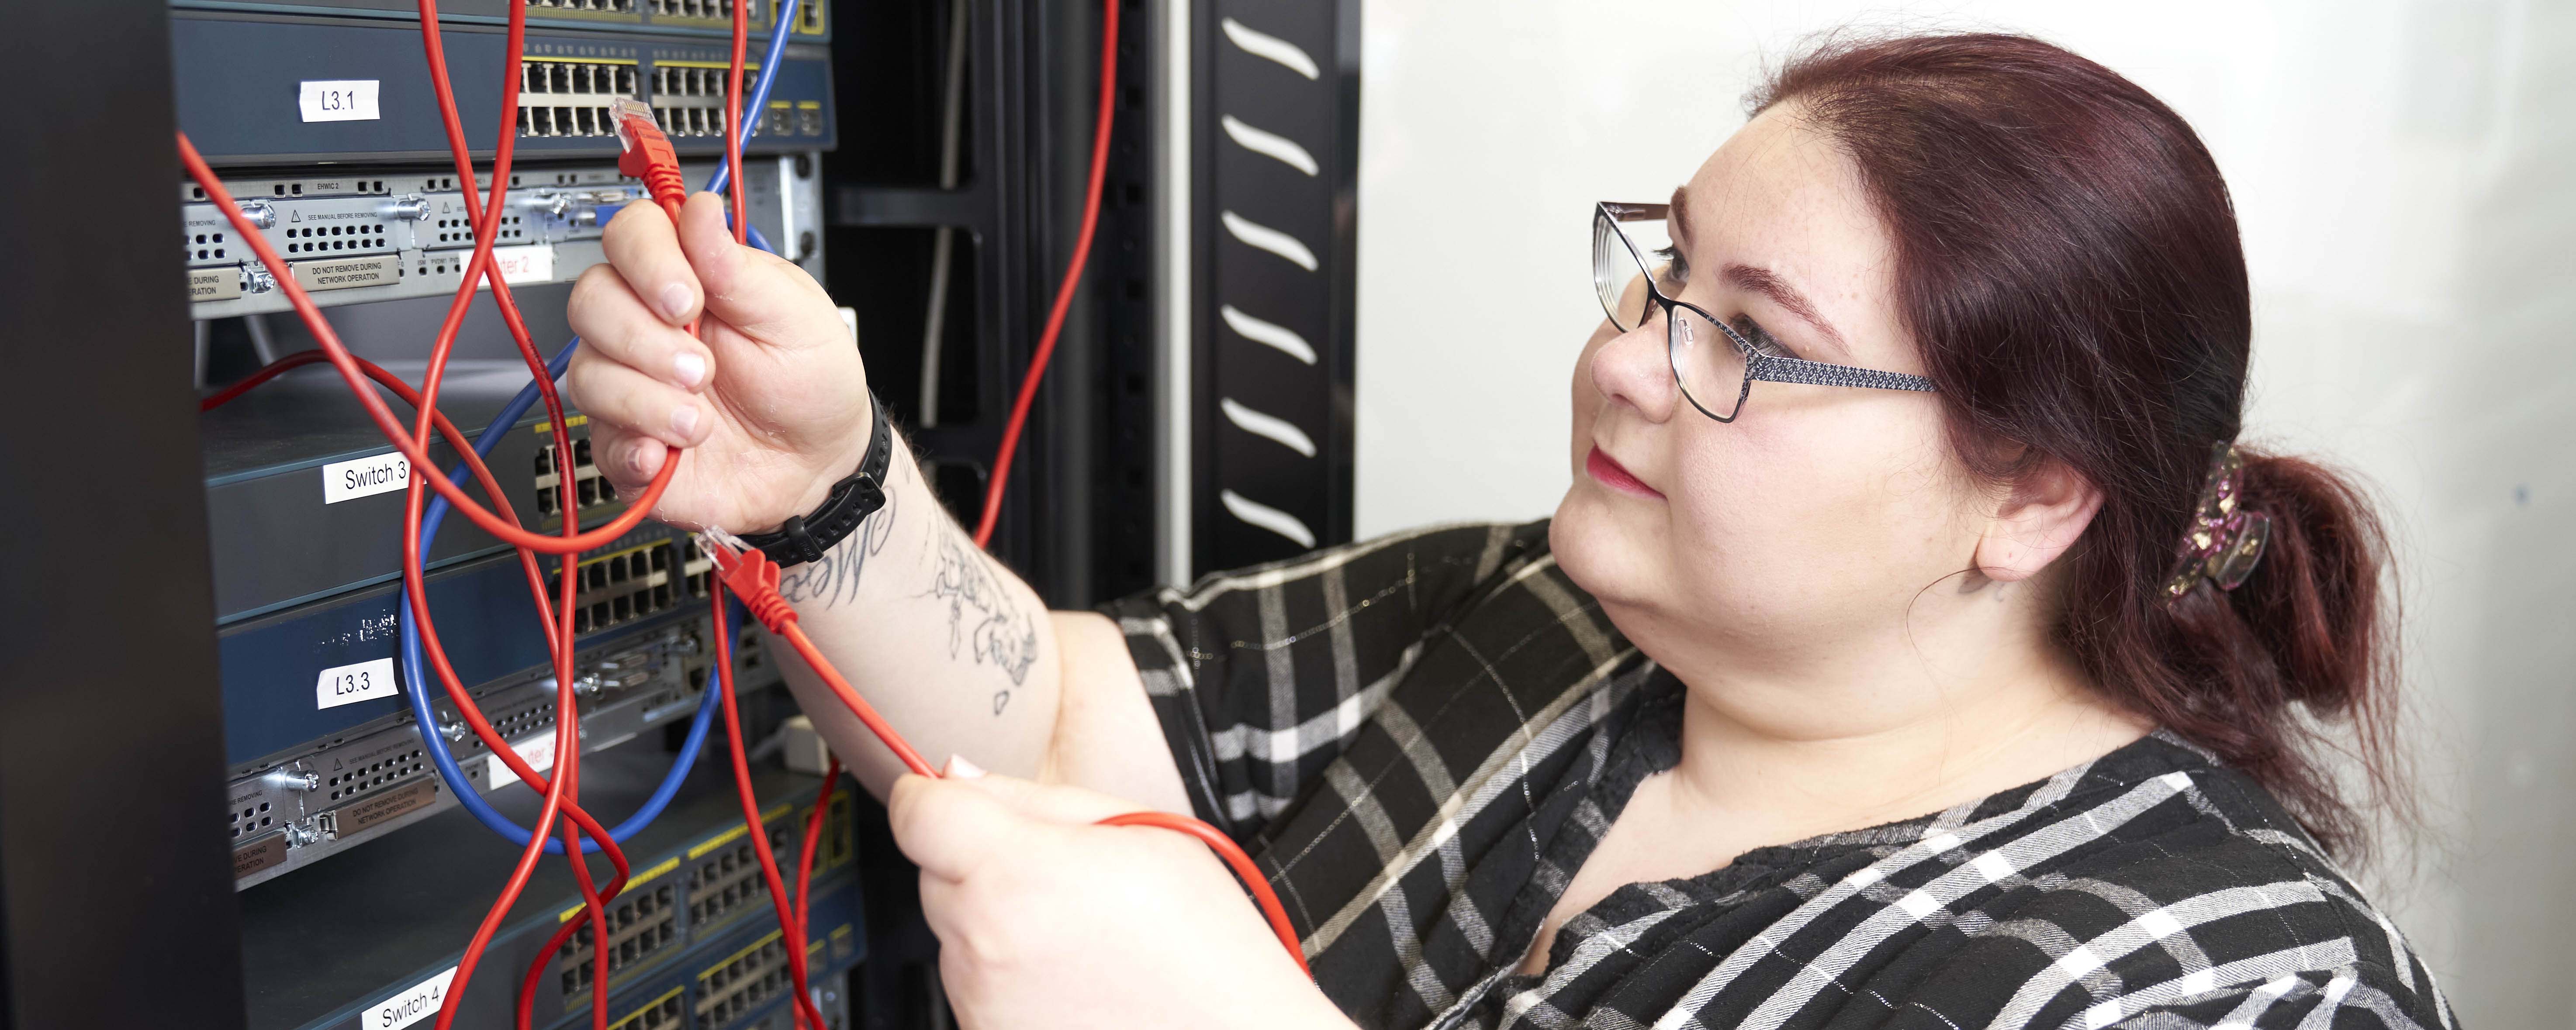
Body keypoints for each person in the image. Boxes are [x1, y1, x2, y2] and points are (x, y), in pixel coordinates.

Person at [563, 30, 2449, 1030]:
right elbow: (1059, 723)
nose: (1624, 363)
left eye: (1748, 340)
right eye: (1658, 274)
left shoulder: (2209, 988)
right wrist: (818, 481)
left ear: (2032, 493)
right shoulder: (1559, 610)